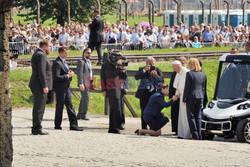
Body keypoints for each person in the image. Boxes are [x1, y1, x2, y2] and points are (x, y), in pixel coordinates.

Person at [52, 47, 83, 131]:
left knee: (70, 107)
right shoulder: (57, 63)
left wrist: (70, 75)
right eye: (65, 53)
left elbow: (66, 74)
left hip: (66, 88)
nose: (67, 54)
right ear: (60, 53)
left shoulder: (64, 62)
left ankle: (73, 125)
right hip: (60, 88)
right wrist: (67, 76)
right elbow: (56, 76)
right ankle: (57, 125)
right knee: (60, 107)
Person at [29, 40, 52, 135]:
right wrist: (45, 85)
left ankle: (36, 127)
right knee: (39, 107)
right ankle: (37, 129)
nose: (50, 48)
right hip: (39, 84)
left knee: (38, 106)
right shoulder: (41, 55)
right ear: (45, 46)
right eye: (49, 46)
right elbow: (41, 72)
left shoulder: (37, 53)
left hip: (36, 83)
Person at [101, 52, 127, 134]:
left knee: (117, 109)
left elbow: (124, 76)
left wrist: (122, 69)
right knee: (114, 109)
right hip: (112, 89)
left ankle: (115, 127)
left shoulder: (117, 66)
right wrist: (118, 67)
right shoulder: (109, 65)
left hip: (118, 89)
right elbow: (111, 75)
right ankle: (113, 128)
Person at [135, 56, 163, 129]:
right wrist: (144, 70)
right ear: (146, 63)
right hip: (144, 94)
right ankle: (144, 127)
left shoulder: (158, 70)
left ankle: (153, 127)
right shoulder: (142, 69)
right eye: (150, 64)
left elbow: (161, 81)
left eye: (153, 64)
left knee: (153, 111)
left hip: (153, 94)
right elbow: (136, 77)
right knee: (143, 111)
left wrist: (156, 76)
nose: (152, 66)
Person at [183, 58, 205, 140]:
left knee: (191, 116)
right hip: (200, 96)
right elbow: (203, 88)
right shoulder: (202, 74)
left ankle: (195, 135)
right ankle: (199, 135)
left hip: (191, 96)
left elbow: (187, 88)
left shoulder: (189, 74)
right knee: (198, 116)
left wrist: (184, 99)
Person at [172, 60, 191, 139]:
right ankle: (182, 133)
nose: (174, 70)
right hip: (181, 95)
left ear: (179, 67)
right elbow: (178, 86)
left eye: (174, 68)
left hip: (186, 96)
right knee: (181, 116)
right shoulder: (178, 73)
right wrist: (176, 95)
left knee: (186, 116)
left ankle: (187, 134)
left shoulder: (186, 72)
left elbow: (187, 87)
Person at [169, 57, 187, 135]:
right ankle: (176, 129)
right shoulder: (175, 73)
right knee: (175, 113)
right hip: (175, 95)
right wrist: (171, 96)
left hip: (183, 95)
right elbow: (171, 85)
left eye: (183, 63)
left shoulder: (187, 72)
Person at [76, 48, 93, 120]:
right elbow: (79, 74)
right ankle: (83, 114)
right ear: (84, 53)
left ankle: (80, 114)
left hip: (89, 83)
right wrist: (81, 84)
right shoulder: (81, 61)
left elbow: (91, 73)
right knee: (86, 99)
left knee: (83, 99)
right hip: (84, 83)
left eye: (90, 53)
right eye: (88, 53)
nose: (89, 54)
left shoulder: (89, 62)